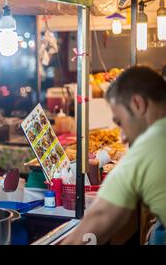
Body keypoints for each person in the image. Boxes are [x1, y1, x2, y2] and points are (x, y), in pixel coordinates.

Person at [62, 66, 166, 245]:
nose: (123, 136)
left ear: (137, 104)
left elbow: (91, 230)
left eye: (120, 122)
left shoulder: (148, 148)